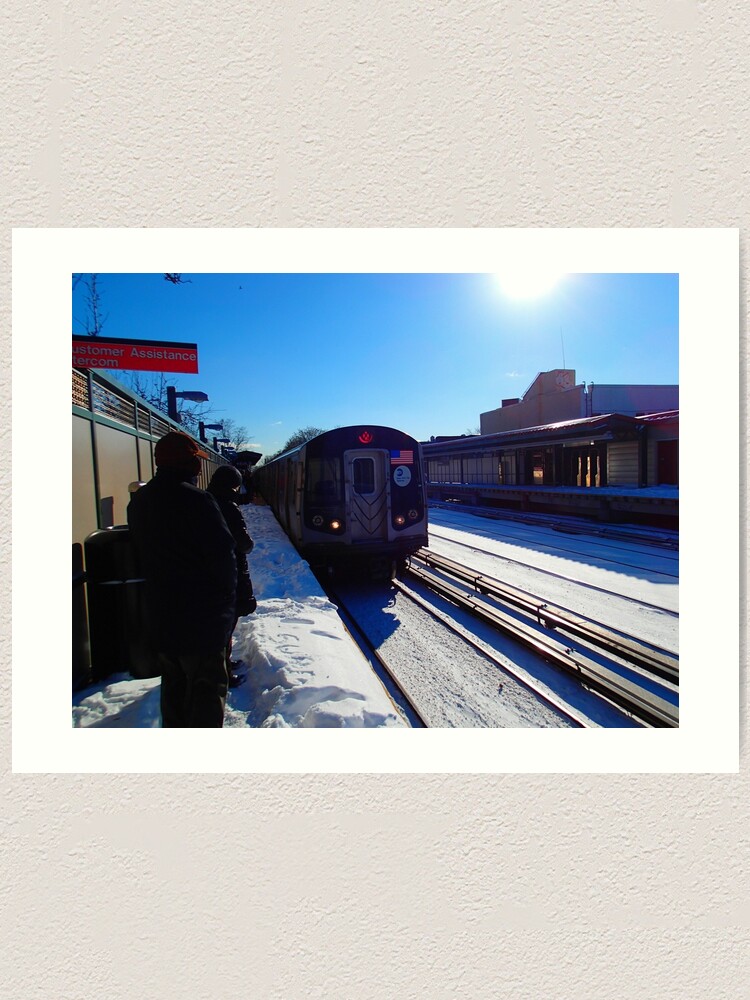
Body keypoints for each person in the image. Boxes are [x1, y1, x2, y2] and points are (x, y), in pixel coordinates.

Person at [127, 431, 237, 727]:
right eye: (196, 461)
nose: (200, 467)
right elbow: (224, 559)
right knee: (206, 691)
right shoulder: (199, 501)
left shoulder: (140, 502)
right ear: (189, 464)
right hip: (201, 619)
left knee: (173, 687)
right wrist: (227, 605)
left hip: (162, 616)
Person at [207, 465, 257, 687]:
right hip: (229, 571)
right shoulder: (229, 507)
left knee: (221, 624)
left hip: (211, 572)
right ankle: (223, 671)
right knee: (226, 623)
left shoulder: (205, 502)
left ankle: (223, 664)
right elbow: (244, 544)